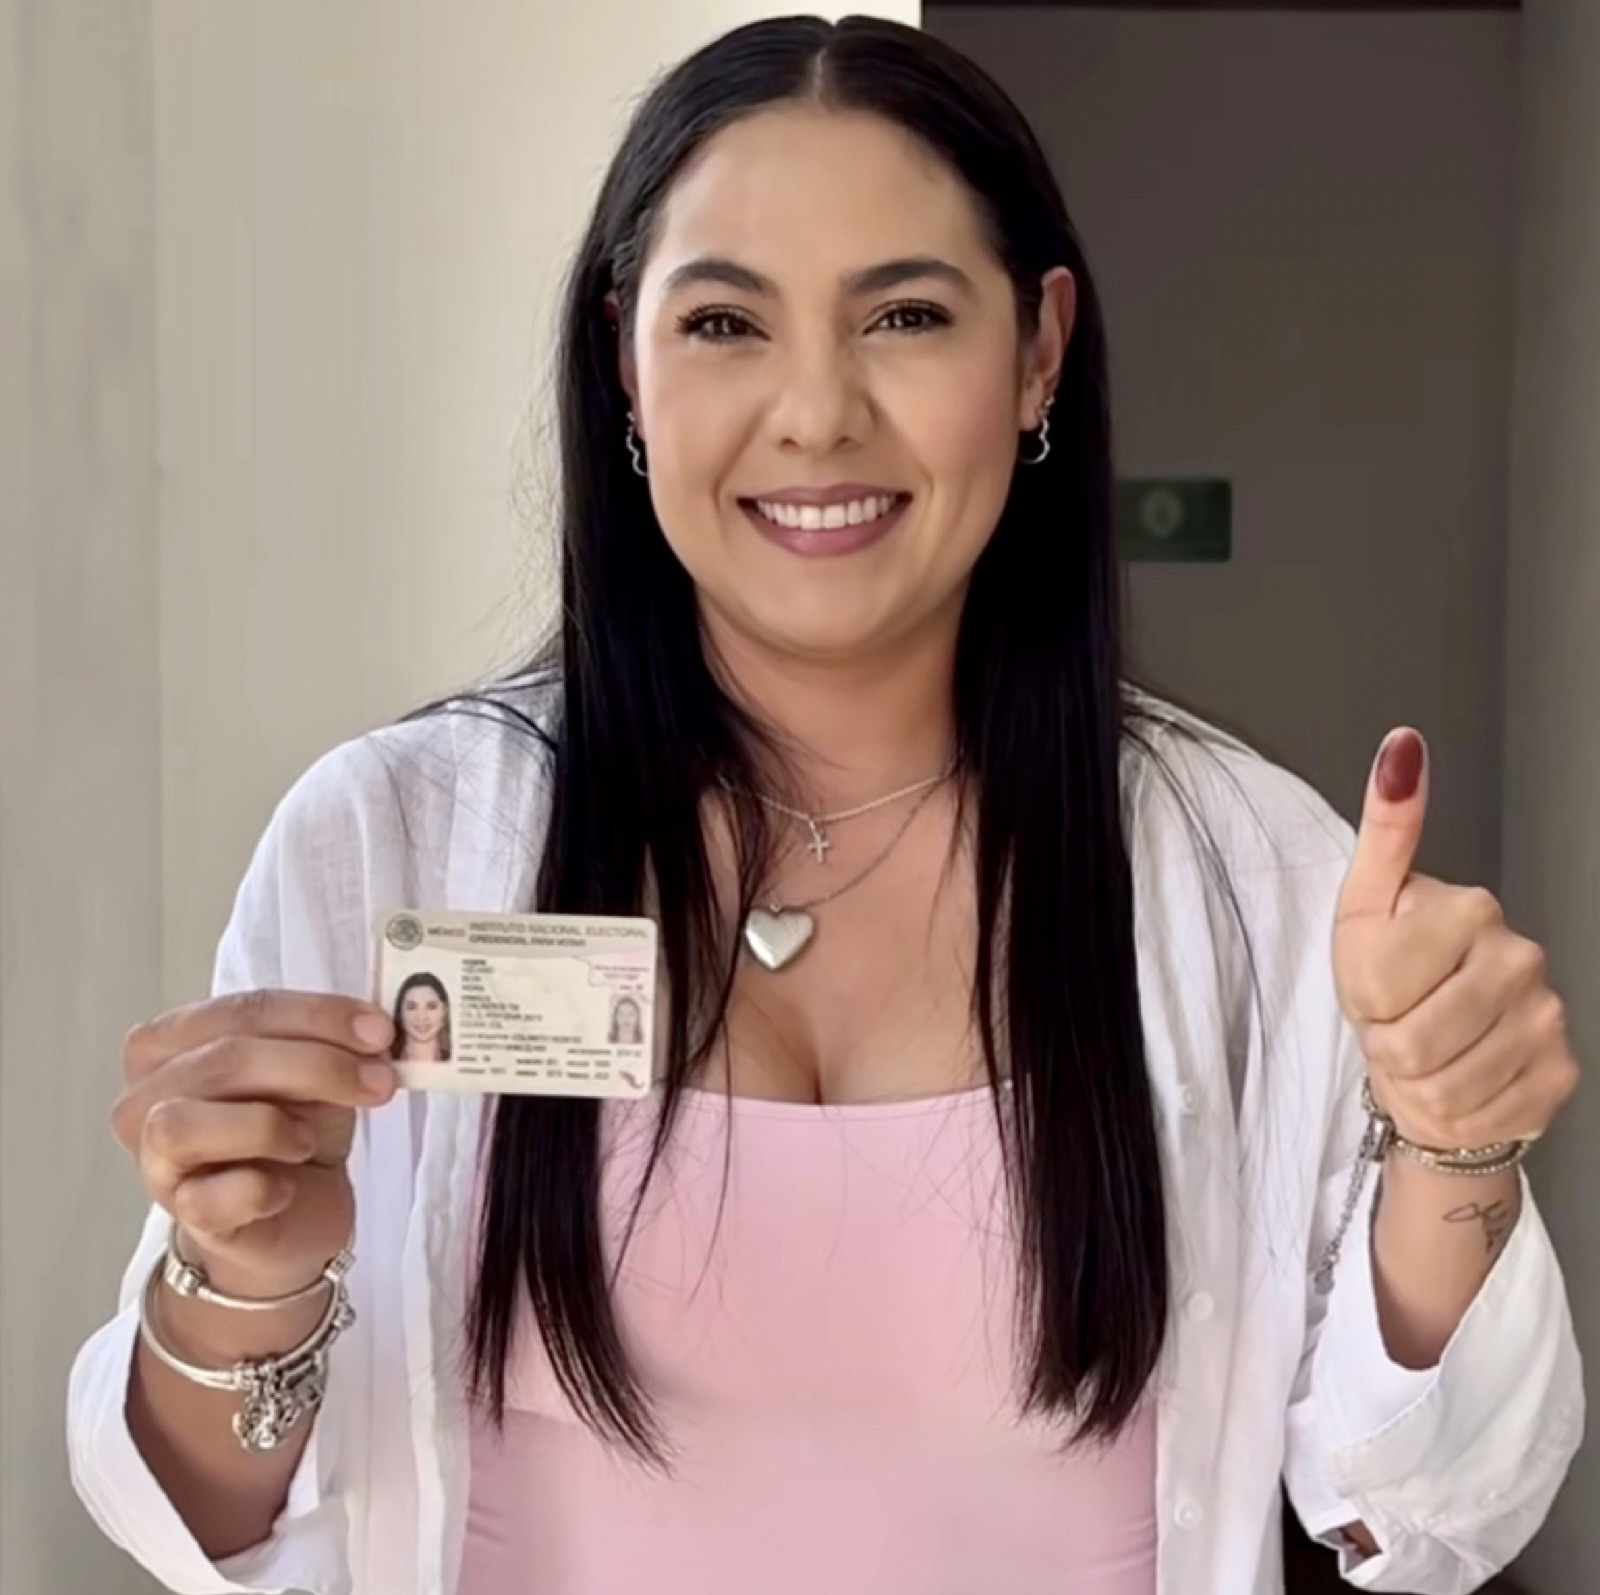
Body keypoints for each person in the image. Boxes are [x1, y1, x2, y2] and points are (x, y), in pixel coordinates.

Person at [67, 16, 1582, 1595]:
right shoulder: (392, 837)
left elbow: (1423, 1520)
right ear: (625, 364)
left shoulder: (1250, 875)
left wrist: (1454, 1144)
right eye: (725, 322)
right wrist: (240, 1270)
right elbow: (203, 1523)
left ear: (1039, 349)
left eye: (906, 316)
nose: (815, 413)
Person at [390, 972, 453, 1063]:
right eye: (412, 1007)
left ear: (444, 1011)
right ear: (400, 1012)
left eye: (431, 1006)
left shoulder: (456, 1061)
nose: (421, 1017)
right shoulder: (387, 1059)